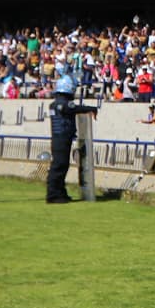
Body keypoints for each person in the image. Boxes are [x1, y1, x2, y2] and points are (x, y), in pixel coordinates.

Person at [47, 59, 96, 204]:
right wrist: (91, 109)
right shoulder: (62, 104)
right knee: (59, 166)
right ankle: (53, 195)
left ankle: (60, 193)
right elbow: (73, 108)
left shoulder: (56, 103)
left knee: (61, 165)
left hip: (60, 137)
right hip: (61, 137)